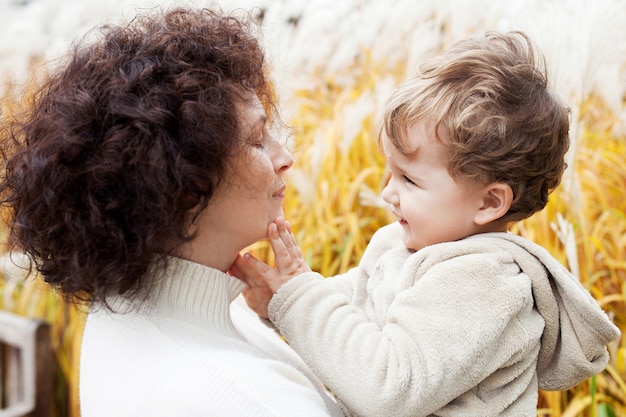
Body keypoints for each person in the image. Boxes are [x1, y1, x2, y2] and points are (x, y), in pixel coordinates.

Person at [231, 31, 621, 417]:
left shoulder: (486, 284)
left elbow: (387, 390)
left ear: (489, 202)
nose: (388, 193)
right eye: (391, 173)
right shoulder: (400, 246)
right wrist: (280, 301)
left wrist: (299, 297)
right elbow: (351, 307)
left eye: (410, 180)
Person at [0, 7, 345, 417]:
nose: (284, 157)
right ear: (182, 184)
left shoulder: (134, 310)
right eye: (257, 139)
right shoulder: (244, 398)